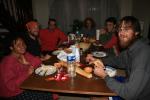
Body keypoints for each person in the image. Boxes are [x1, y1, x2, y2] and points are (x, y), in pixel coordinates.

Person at [86, 16, 150, 100]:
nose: (121, 33)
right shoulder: (133, 47)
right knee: (96, 84)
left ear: (136, 32)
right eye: (120, 29)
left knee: (96, 97)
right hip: (128, 81)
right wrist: (99, 60)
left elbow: (129, 94)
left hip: (137, 96)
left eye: (126, 29)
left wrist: (105, 76)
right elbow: (118, 60)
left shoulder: (142, 55)